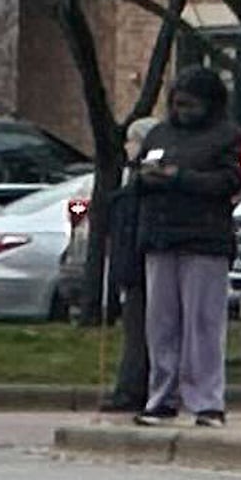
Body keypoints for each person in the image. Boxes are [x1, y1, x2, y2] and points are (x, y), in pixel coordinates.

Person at [135, 68, 241, 429]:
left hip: (205, 240)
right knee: (161, 324)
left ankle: (207, 401)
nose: (181, 110)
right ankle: (161, 398)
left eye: (190, 104)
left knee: (203, 323)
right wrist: (145, 177)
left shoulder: (227, 137)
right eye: (177, 103)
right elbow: (137, 174)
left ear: (209, 104)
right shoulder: (159, 133)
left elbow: (229, 181)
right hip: (161, 236)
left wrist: (177, 177)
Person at [98, 116, 159, 414]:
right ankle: (132, 387)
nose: (127, 146)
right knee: (134, 330)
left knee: (139, 332)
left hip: (140, 264)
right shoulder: (130, 178)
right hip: (131, 264)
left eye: (133, 140)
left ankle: (133, 390)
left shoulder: (145, 182)